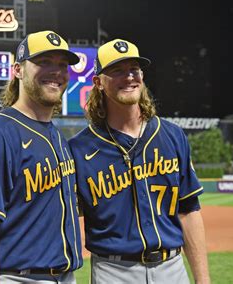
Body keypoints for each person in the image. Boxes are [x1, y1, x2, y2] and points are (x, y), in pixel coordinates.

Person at [69, 39, 210, 284]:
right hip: (113, 271)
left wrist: (203, 280)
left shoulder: (172, 135)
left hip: (172, 268)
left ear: (142, 76)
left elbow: (188, 211)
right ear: (98, 82)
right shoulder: (79, 149)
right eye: (117, 71)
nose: (128, 77)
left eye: (134, 69)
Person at [0, 30, 83, 283]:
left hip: (66, 277)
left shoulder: (57, 135)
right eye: (44, 62)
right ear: (18, 70)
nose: (56, 71)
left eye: (62, 64)